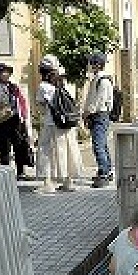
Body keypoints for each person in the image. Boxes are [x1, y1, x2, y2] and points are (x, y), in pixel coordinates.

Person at [35, 54, 83, 192]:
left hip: (52, 123)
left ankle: (48, 183)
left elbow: (41, 105)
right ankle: (69, 181)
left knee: (46, 150)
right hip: (67, 123)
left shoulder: (43, 86)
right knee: (69, 149)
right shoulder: (64, 84)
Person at [0, 63, 34, 180]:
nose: (6, 74)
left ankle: (20, 172)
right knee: (3, 148)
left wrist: (24, 116)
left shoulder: (13, 87)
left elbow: (21, 101)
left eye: (7, 72)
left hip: (14, 120)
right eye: (3, 72)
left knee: (19, 146)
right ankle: (6, 174)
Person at [82, 50, 114, 187]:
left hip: (100, 115)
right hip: (99, 115)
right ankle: (106, 170)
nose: (90, 65)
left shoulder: (103, 80)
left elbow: (99, 101)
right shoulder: (97, 79)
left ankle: (104, 175)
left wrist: (87, 113)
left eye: (92, 63)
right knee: (102, 145)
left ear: (97, 65)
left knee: (98, 146)